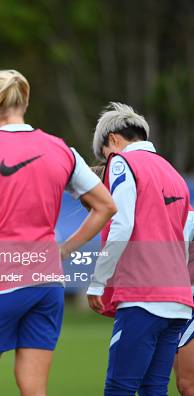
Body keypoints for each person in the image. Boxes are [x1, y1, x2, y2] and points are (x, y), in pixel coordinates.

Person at [0, 69, 116, 396]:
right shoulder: (62, 149)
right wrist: (64, 250)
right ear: (25, 100)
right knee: (34, 388)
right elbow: (106, 206)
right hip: (48, 283)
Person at [87, 102, 193, 395]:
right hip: (179, 300)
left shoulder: (122, 162)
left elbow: (121, 224)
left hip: (143, 295)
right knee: (154, 388)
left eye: (105, 154)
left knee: (119, 386)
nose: (106, 162)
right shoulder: (173, 173)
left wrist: (98, 281)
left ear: (114, 140)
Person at [176, 205, 194, 396]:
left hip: (190, 302)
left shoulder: (189, 218)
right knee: (183, 383)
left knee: (188, 385)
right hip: (171, 305)